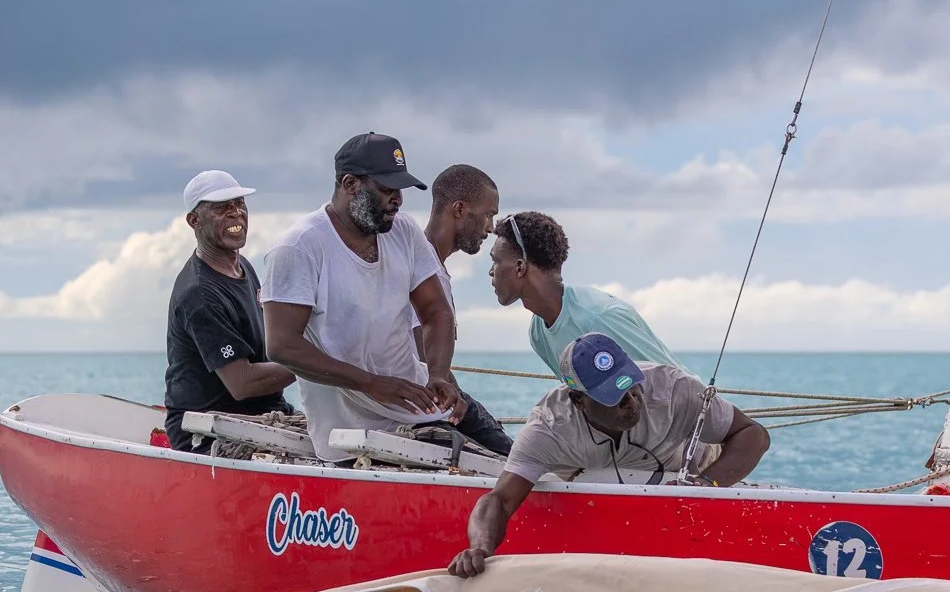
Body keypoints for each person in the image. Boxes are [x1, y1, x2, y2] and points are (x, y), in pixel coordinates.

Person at [448, 333, 771, 578]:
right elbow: (499, 500)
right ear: (577, 400)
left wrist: (707, 485)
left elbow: (753, 435)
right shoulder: (550, 425)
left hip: (690, 485)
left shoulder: (675, 389)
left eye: (630, 384)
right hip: (598, 494)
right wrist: (480, 548)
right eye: (614, 395)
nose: (631, 399)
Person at [261, 132, 465, 463]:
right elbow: (282, 345)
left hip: (421, 411)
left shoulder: (405, 231)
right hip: (348, 436)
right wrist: (371, 383)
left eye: (400, 189)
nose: (397, 199)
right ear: (350, 183)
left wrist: (438, 374)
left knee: (509, 458)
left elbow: (435, 310)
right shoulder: (299, 247)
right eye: (386, 189)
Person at [163, 170, 295, 452]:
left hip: (264, 416)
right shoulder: (198, 293)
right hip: (205, 433)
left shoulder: (243, 266)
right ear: (194, 221)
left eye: (240, 204)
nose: (236, 213)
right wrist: (313, 363)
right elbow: (242, 384)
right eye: (222, 208)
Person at [488, 211, 686, 377]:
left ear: (520, 267)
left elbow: (677, 386)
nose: (491, 271)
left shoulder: (600, 318)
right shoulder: (538, 331)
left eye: (495, 261)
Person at [412, 164, 513, 455]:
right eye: (488, 215)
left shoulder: (433, 268)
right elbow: (419, 358)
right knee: (512, 458)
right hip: (418, 403)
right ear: (459, 210)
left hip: (436, 396)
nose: (491, 228)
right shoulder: (419, 266)